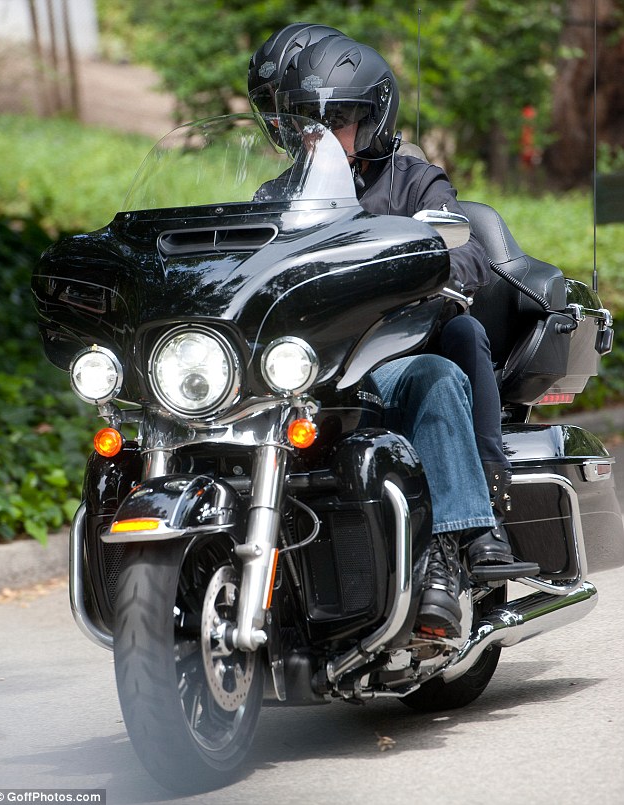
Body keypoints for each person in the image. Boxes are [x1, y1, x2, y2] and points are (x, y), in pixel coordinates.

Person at [250, 31, 517, 639]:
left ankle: (457, 548)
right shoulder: (277, 199)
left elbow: (471, 255)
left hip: (397, 353)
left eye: (337, 120)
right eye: (302, 123)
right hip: (311, 370)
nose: (317, 136)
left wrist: (419, 263)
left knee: (442, 367)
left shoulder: (413, 182)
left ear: (373, 119)